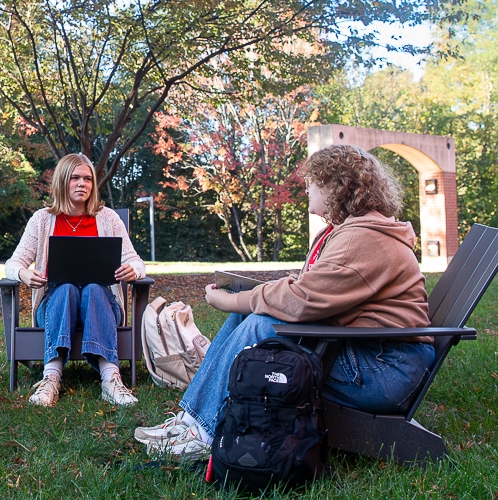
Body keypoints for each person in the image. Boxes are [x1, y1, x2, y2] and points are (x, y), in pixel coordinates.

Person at [133, 145, 434, 459]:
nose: (306, 189)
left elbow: (302, 300)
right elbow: (309, 291)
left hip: (384, 370)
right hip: (367, 353)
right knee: (250, 315)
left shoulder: (365, 238)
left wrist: (230, 301)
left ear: (336, 186)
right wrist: (246, 299)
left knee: (263, 322)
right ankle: (192, 421)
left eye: (313, 182)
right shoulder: (354, 231)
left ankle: (202, 434)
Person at [6, 153, 145, 407]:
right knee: (66, 288)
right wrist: (24, 274)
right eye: (75, 178)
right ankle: (51, 378)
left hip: (100, 304)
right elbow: (12, 264)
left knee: (93, 288)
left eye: (88, 179)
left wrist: (133, 271)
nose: (82, 184)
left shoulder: (108, 219)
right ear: (62, 182)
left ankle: (111, 379)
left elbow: (136, 261)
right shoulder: (42, 220)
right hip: (57, 305)